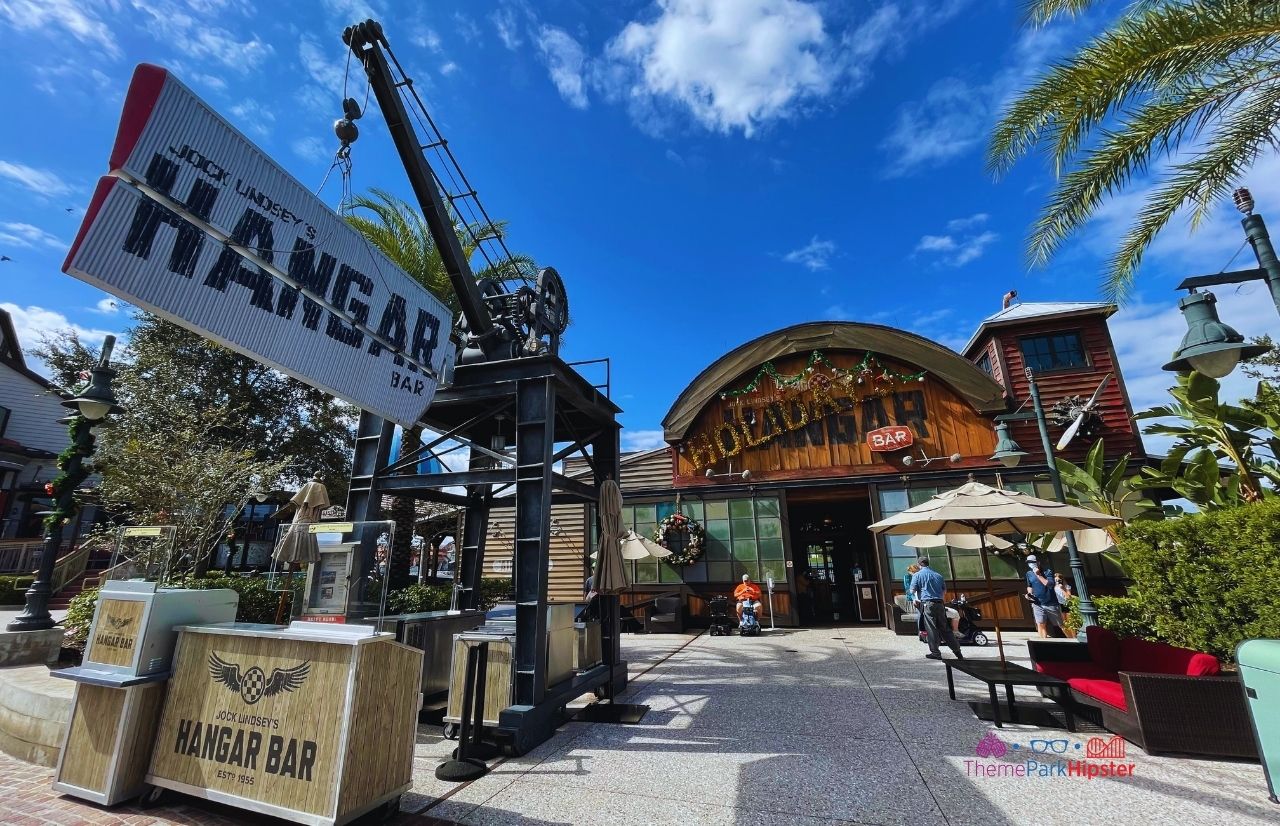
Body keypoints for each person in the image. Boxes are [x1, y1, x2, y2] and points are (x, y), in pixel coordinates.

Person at [910, 557, 963, 660]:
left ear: (919, 564)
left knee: (931, 629)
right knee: (946, 629)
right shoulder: (938, 575)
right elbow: (944, 591)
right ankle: (958, 652)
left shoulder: (917, 575)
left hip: (928, 604)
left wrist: (916, 597)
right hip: (940, 604)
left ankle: (935, 653)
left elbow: (912, 591)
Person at [1024, 554, 1065, 638]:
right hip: (1037, 603)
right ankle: (1043, 642)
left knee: (1061, 625)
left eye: (1032, 562)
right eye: (1029, 562)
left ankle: (1072, 641)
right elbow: (1029, 585)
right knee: (1040, 624)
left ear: (1038, 562)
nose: (1030, 564)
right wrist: (1029, 593)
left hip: (1051, 603)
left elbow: (1049, 584)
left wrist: (1038, 575)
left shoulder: (1047, 572)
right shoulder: (1029, 573)